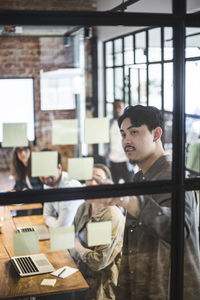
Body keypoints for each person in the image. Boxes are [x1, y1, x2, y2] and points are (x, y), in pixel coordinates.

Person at [96, 105, 200, 300]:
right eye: (123, 134)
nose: (126, 140)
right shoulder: (139, 179)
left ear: (156, 133)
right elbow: (133, 247)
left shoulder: (174, 177)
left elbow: (178, 229)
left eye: (134, 132)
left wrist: (128, 200)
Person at [69, 164, 125, 300]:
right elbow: (69, 238)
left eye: (98, 178)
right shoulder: (84, 207)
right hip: (78, 273)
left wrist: (77, 246)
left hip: (100, 287)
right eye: (89, 178)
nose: (92, 182)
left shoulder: (111, 215)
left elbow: (98, 262)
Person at [40, 150, 84, 228]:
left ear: (59, 167)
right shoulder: (48, 183)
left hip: (81, 233)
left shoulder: (69, 187)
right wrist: (57, 222)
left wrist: (57, 222)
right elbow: (47, 216)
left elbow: (62, 227)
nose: (45, 176)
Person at [107, 99, 134, 183]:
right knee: (113, 190)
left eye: (119, 107)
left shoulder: (129, 124)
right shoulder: (109, 123)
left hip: (126, 161)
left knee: (131, 190)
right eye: (115, 107)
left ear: (123, 108)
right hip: (112, 161)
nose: (117, 109)